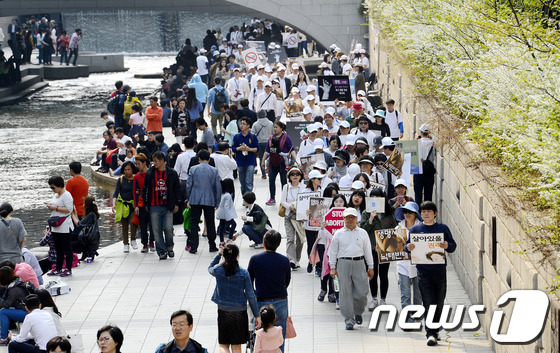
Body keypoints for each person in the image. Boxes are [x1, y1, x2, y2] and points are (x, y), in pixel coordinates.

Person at [405, 201, 457, 346]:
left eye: (429, 211)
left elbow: (453, 246)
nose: (426, 214)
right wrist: (407, 247)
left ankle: (436, 329)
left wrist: (447, 245)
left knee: (439, 303)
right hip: (423, 273)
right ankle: (430, 333)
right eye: (423, 212)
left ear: (434, 213)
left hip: (440, 272)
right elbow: (407, 246)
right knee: (428, 303)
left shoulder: (442, 228)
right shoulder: (415, 229)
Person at [328, 208, 374, 330]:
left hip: (359, 262)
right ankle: (349, 319)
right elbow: (332, 252)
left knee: (362, 291)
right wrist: (332, 267)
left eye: (352, 217)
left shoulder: (363, 233)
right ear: (343, 219)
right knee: (345, 292)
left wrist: (371, 266)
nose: (350, 220)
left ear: (356, 218)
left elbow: (368, 250)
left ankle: (358, 311)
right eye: (347, 217)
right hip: (343, 263)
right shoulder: (338, 234)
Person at [208, 244, 260, 353]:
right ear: (237, 256)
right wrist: (257, 315)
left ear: (224, 255)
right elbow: (251, 295)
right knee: (236, 346)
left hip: (223, 311)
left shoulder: (218, 270)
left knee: (223, 344)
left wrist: (218, 255)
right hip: (239, 312)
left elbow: (210, 268)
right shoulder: (243, 273)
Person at [247, 231, 291, 352]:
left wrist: (255, 294)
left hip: (262, 301)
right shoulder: (284, 260)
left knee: (260, 335)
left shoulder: (255, 259)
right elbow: (287, 280)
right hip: (281, 300)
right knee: (279, 337)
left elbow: (249, 281)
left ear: (264, 243)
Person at [360, 189, 397, 311]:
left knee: (384, 274)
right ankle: (374, 299)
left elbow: (394, 230)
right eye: (373, 196)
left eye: (378, 196)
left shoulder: (389, 213)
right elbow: (364, 230)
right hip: (371, 249)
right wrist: (371, 219)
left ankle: (383, 300)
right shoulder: (366, 212)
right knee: (372, 274)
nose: (375, 198)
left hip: (385, 249)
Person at [143, 151, 182, 260]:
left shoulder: (172, 173)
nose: (154, 163)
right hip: (154, 205)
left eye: (156, 161)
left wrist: (177, 203)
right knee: (156, 229)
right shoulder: (150, 173)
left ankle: (170, 247)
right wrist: (146, 203)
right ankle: (161, 251)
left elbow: (177, 189)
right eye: (153, 161)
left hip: (168, 205)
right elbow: (145, 189)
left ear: (162, 161)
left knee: (168, 227)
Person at [186, 149, 221, 254]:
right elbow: (218, 188)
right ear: (209, 159)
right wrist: (217, 201)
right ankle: (212, 245)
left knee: (194, 223)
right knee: (210, 222)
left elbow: (188, 185)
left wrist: (189, 198)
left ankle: (194, 246)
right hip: (209, 199)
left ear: (199, 159)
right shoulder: (214, 170)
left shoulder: (193, 169)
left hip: (195, 199)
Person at [394, 202, 423, 323]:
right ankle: (406, 316)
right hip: (403, 265)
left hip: (419, 265)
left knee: (418, 293)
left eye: (410, 212)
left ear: (415, 214)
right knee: (405, 293)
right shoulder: (398, 228)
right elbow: (392, 246)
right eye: (405, 212)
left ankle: (416, 315)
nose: (407, 214)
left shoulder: (422, 228)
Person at [45, 176, 74, 277]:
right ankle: (58, 268)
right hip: (55, 226)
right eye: (51, 188)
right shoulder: (56, 195)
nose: (52, 190)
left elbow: (69, 209)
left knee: (67, 248)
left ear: (59, 185)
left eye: (53, 187)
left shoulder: (67, 195)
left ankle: (68, 268)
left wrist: (55, 208)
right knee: (58, 249)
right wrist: (50, 206)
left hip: (65, 226)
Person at [261, 121, 295, 205]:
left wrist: (296, 160)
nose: (275, 129)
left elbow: (292, 149)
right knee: (271, 180)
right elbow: (266, 150)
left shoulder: (286, 138)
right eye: (274, 127)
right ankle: (272, 198)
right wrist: (263, 161)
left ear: (281, 128)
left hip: (283, 164)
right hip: (273, 163)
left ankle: (285, 198)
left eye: (276, 127)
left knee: (284, 181)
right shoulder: (271, 138)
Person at [112, 161, 138, 253]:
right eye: (125, 170)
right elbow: (116, 193)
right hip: (122, 205)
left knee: (133, 223)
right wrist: (114, 204)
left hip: (132, 205)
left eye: (129, 170)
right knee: (124, 225)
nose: (127, 172)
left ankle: (133, 239)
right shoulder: (121, 180)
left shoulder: (135, 179)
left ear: (132, 170)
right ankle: (125, 244)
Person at [0, 266, 29, 345]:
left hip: (26, 312)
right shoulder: (16, 282)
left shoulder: (14, 290)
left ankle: (3, 338)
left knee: (3, 312)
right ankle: (3, 332)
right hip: (24, 308)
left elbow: (6, 305)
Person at [133, 153, 155, 253]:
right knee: (143, 224)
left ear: (144, 163)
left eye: (139, 164)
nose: (137, 166)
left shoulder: (152, 173)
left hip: (152, 202)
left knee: (153, 224)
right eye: (136, 164)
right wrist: (136, 205)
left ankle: (152, 242)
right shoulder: (137, 177)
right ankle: (145, 244)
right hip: (141, 203)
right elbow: (135, 192)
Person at [231, 117, 259, 195]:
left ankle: (249, 199)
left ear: (248, 126)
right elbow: (233, 148)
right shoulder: (236, 136)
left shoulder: (253, 136)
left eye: (244, 124)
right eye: (241, 123)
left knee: (248, 181)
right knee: (242, 182)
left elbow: (257, 149)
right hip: (240, 162)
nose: (241, 125)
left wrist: (249, 149)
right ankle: (244, 197)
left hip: (250, 161)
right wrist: (239, 148)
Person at [71, 196, 100, 262]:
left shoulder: (90, 215)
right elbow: (81, 223)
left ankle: (86, 252)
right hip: (89, 239)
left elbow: (79, 225)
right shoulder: (93, 214)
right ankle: (85, 253)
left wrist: (72, 215)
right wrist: (75, 213)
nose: (83, 205)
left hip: (88, 241)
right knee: (72, 236)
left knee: (70, 244)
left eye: (84, 203)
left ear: (87, 205)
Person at [413, 124, 435, 203]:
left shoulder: (417, 143)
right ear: (428, 133)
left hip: (418, 170)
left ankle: (418, 212)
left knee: (418, 194)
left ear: (421, 132)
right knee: (428, 194)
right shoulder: (433, 143)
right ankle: (428, 211)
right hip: (429, 171)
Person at [252, 110, 274, 178]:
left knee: (261, 158)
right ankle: (270, 172)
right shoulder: (271, 123)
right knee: (270, 158)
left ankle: (263, 173)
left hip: (259, 143)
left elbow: (253, 135)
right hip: (269, 143)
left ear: (258, 116)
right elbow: (273, 133)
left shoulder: (255, 124)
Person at [216, 179, 237, 247]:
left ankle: (221, 242)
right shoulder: (228, 195)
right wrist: (228, 217)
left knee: (221, 227)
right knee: (233, 224)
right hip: (226, 214)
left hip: (221, 213)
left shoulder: (222, 194)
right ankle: (229, 239)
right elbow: (226, 207)